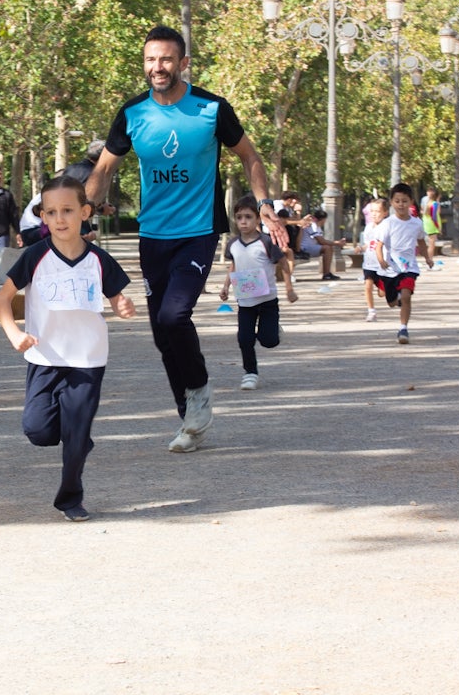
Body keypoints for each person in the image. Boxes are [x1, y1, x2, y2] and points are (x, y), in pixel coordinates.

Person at [85, 24, 286, 454]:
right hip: (152, 235)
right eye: (150, 59)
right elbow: (103, 170)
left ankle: (198, 391)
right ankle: (189, 415)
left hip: (197, 232)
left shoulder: (211, 109)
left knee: (174, 316)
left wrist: (266, 202)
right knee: (162, 332)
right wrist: (82, 216)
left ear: (183, 63)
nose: (157, 67)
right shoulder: (133, 113)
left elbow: (250, 156)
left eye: (166, 59)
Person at [0, 176, 136, 521]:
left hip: (88, 360)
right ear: (43, 217)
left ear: (85, 212)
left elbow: (117, 297)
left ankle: (70, 498)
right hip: (45, 357)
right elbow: (3, 299)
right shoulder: (35, 256)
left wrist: (122, 306)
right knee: (38, 431)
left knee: (74, 439)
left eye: (68, 210)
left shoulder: (99, 260)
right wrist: (14, 333)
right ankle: (77, 435)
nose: (60, 219)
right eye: (52, 212)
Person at [219, 196, 296, 391]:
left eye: (248, 217)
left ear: (258, 219)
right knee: (244, 338)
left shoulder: (266, 242)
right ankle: (250, 373)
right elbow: (234, 264)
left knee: (269, 341)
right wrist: (226, 286)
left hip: (267, 299)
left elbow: (283, 263)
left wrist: (289, 289)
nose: (243, 221)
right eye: (239, 217)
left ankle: (274, 330)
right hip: (245, 301)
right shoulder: (233, 244)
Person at [375, 182, 435, 344]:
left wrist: (428, 257)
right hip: (390, 268)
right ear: (392, 203)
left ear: (411, 202)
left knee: (407, 295)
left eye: (404, 201)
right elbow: (379, 245)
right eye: (397, 201)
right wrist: (381, 260)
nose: (401, 204)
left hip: (409, 267)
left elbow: (421, 241)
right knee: (391, 302)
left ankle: (403, 329)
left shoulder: (416, 223)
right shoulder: (388, 223)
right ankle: (396, 297)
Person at [357, 198, 388, 322]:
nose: (374, 214)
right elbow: (369, 244)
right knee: (367, 286)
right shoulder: (369, 227)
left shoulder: (387, 227)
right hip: (369, 264)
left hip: (382, 264)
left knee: (382, 293)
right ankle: (371, 311)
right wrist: (361, 248)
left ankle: (388, 289)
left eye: (378, 211)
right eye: (372, 211)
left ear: (385, 213)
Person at [299, 208, 346, 280]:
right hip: (305, 248)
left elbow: (321, 241)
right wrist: (337, 243)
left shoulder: (317, 227)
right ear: (323, 219)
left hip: (311, 247)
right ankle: (326, 274)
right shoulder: (312, 226)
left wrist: (335, 243)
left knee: (328, 248)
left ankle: (327, 273)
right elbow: (321, 241)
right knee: (327, 248)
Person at [420, 186, 442, 258]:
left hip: (427, 225)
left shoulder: (428, 203)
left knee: (430, 244)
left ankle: (429, 260)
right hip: (432, 226)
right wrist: (438, 227)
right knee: (431, 245)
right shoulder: (435, 204)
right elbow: (434, 217)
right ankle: (430, 260)